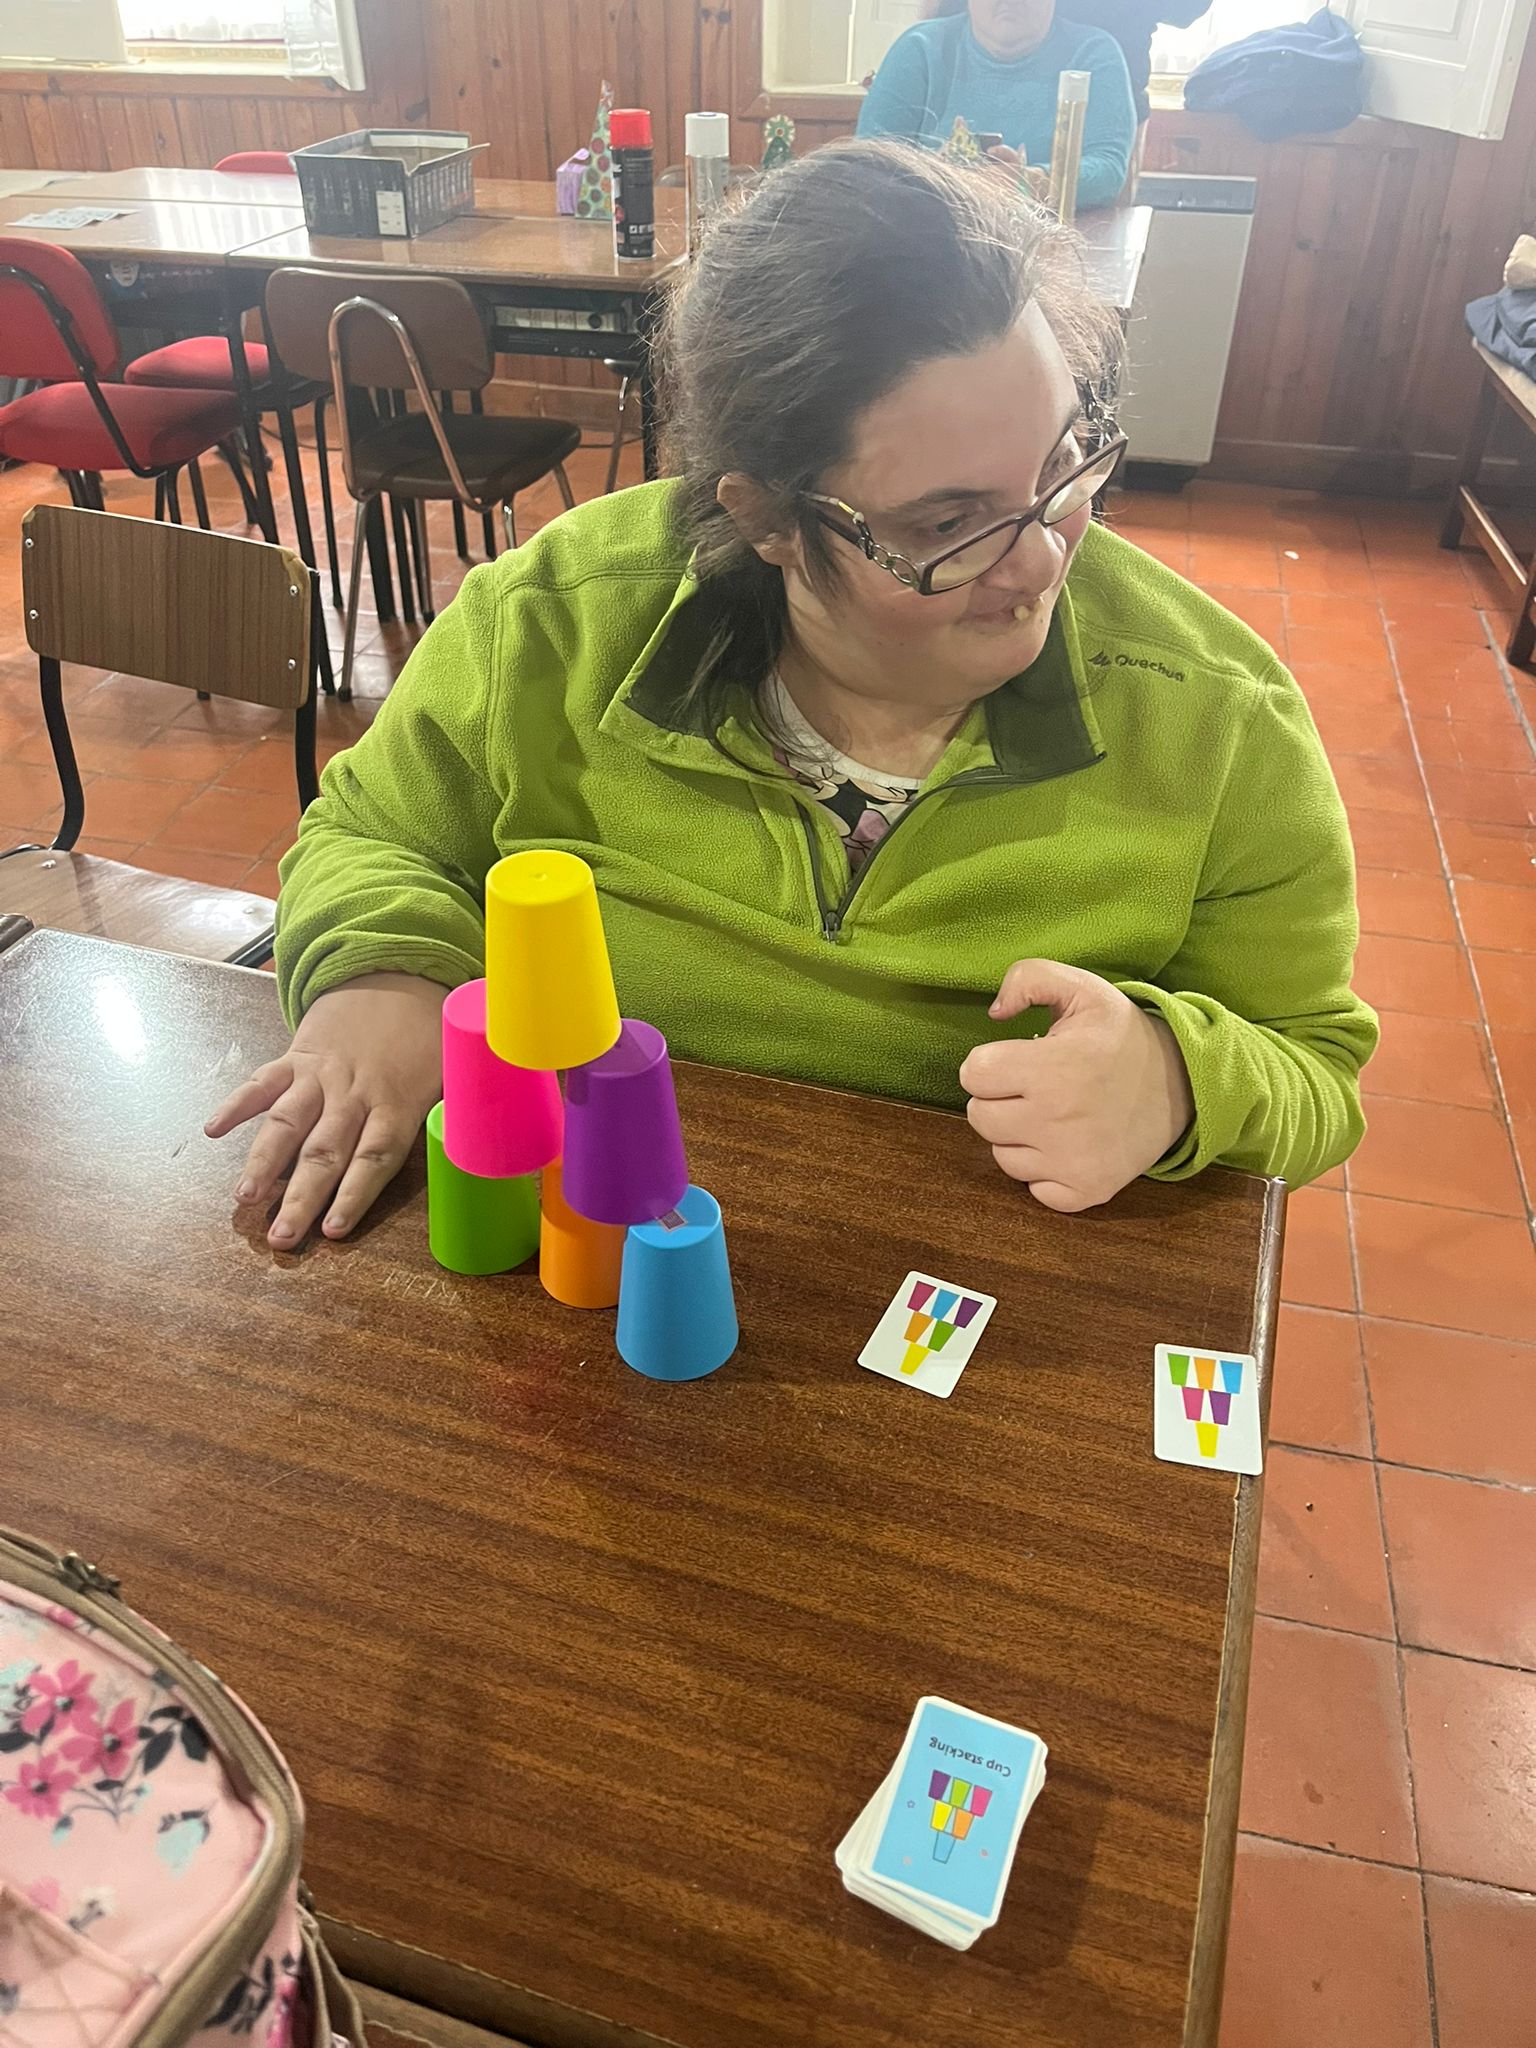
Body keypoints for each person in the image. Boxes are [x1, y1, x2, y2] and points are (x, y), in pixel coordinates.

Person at [207, 141, 1375, 1250]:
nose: (1039, 561)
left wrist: (1177, 1079)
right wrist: (385, 977)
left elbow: (1315, 1063)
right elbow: (376, 831)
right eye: (949, 522)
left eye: (1063, 464)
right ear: (764, 518)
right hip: (602, 1240)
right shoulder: (555, 618)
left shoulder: (1220, 720)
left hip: (996, 1288)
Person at [857, 0, 1136, 211]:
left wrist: (1028, 182)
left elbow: (1108, 168)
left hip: (1053, 239)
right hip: (928, 234)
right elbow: (868, 166)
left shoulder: (1095, 52)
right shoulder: (919, 47)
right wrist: (936, 177)